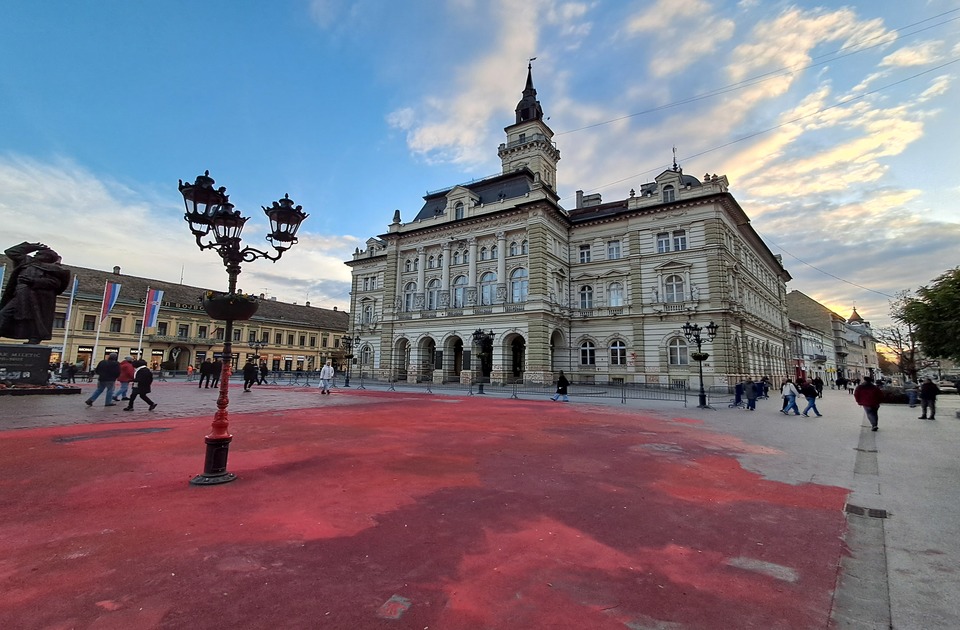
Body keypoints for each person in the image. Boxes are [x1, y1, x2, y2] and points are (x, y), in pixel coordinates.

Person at [0, 241, 71, 344]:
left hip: (37, 297)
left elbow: (54, 284)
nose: (36, 254)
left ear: (47, 258)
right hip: (20, 295)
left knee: (35, 318)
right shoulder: (27, 261)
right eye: (36, 253)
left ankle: (35, 338)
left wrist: (34, 281)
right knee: (4, 314)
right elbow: (11, 252)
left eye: (40, 253)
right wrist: (32, 246)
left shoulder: (53, 269)